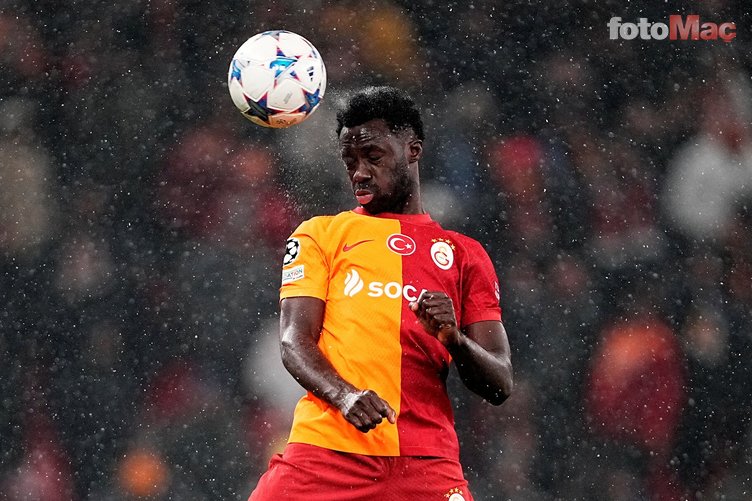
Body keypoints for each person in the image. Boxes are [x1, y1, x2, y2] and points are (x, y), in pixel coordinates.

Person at [248, 86, 513, 501]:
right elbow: (294, 341)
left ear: (413, 150)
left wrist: (454, 339)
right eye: (350, 161)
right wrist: (344, 396)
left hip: (425, 463)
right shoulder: (320, 235)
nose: (359, 173)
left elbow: (500, 383)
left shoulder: (465, 255)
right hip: (329, 453)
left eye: (373, 156)